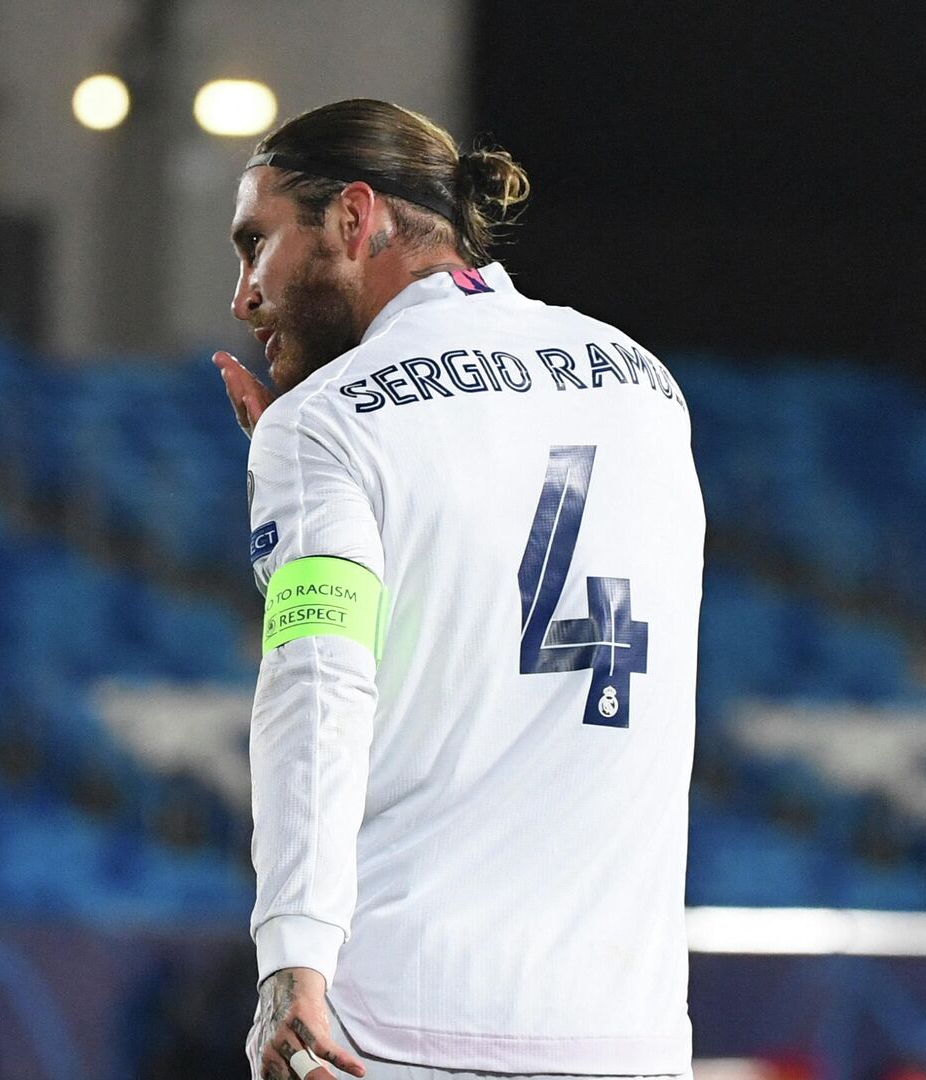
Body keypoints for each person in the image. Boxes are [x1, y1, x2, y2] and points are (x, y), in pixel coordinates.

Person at [213, 99, 700, 1080]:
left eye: (256, 243)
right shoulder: (647, 386)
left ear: (355, 219)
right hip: (627, 1029)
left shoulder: (327, 427)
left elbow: (319, 687)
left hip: (403, 1024)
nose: (243, 294)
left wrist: (292, 956)